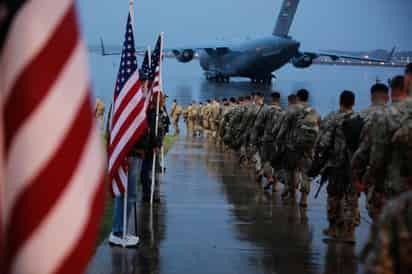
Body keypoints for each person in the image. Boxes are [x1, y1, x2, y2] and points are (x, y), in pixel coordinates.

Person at [108, 72, 151, 247]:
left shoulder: (138, 102)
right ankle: (118, 231)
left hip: (138, 154)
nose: (146, 85)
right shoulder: (130, 102)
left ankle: (121, 229)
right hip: (130, 154)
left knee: (130, 195)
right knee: (126, 194)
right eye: (143, 82)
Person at [309, 90, 359, 242]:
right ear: (353, 103)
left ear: (340, 101)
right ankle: (350, 232)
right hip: (354, 165)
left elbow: (323, 142)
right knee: (352, 197)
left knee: (334, 196)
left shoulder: (333, 118)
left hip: (336, 164)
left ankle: (333, 228)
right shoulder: (360, 118)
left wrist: (318, 157)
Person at [276, 89, 320, 207]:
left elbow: (283, 128)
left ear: (298, 98)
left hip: (292, 146)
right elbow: (319, 129)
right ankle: (304, 198)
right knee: (306, 173)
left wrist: (279, 141)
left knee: (291, 170)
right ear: (307, 98)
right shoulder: (314, 111)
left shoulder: (291, 110)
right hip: (308, 147)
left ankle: (291, 193)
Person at [260, 92, 283, 191]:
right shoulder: (283, 111)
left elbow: (258, 124)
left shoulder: (266, 110)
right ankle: (275, 186)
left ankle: (269, 178)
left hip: (267, 139)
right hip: (278, 140)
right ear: (279, 99)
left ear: (271, 98)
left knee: (266, 160)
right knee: (277, 163)